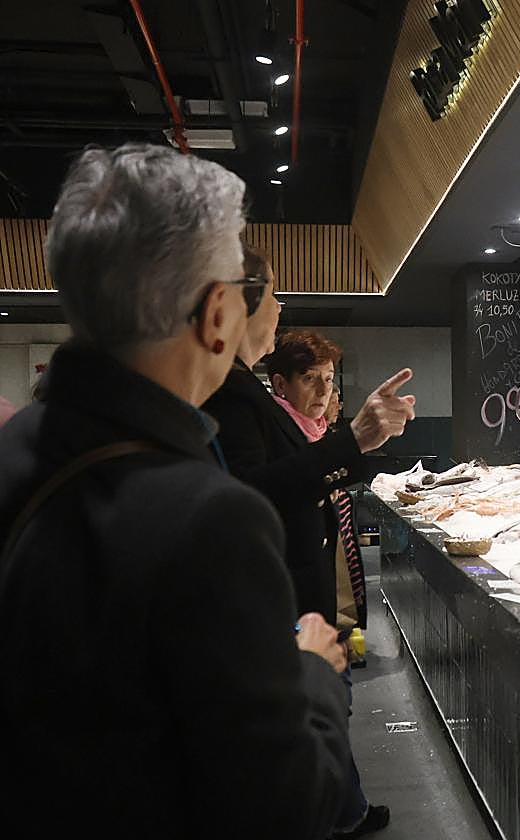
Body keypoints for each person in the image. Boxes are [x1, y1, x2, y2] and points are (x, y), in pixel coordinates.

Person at [0, 143, 350, 838]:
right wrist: (310, 672)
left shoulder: (16, 447)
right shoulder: (211, 520)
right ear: (217, 314)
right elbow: (288, 807)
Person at [204, 323, 415, 838]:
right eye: (310, 379)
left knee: (332, 696)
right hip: (295, 598)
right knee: (319, 708)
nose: (323, 390)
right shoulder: (240, 398)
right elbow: (263, 492)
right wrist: (351, 442)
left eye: (328, 379)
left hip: (324, 588)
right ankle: (340, 812)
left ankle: (346, 807)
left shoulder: (305, 425)